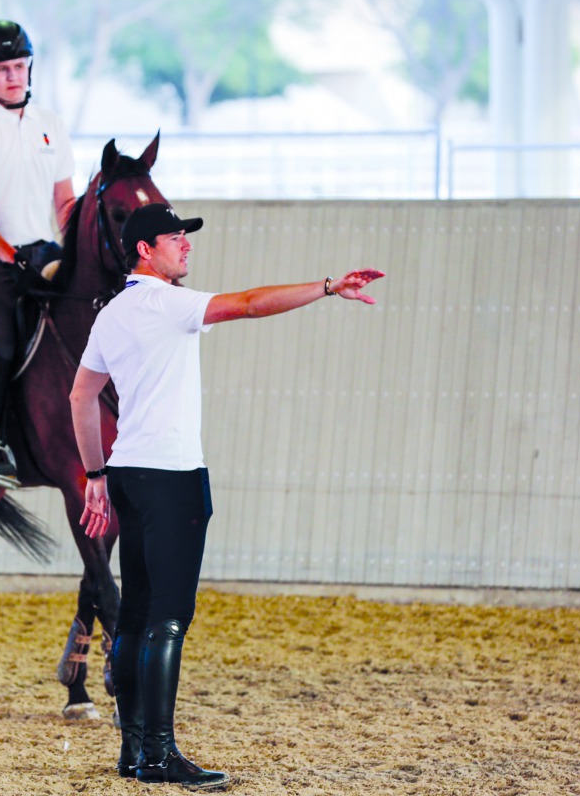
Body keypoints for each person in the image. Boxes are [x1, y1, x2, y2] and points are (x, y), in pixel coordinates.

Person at [70, 203, 383, 790]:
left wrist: (95, 474)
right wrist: (326, 286)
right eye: (175, 237)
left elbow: (81, 398)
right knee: (167, 620)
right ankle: (160, 757)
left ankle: (134, 751)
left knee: (135, 618)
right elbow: (246, 304)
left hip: (127, 474)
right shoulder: (171, 304)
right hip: (171, 477)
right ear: (145, 249)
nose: (185, 245)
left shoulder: (112, 313)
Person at [0, 19, 77, 495]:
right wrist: (9, 256)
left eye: (20, 66)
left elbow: (65, 203)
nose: (13, 76)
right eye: (2, 69)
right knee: (2, 343)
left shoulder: (51, 124)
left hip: (41, 247)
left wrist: (73, 251)